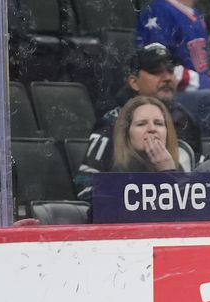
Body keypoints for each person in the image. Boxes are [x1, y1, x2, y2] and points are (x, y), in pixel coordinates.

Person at [75, 44, 201, 200]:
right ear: (134, 82)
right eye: (156, 71)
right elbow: (85, 188)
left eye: (170, 70)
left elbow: (199, 192)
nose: (167, 77)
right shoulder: (111, 124)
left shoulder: (185, 120)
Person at [135, 0, 210, 134]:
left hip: (194, 87)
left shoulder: (196, 14)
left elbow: (201, 64)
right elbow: (158, 68)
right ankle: (199, 150)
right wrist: (209, 83)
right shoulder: (159, 11)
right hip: (168, 93)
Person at [111, 96, 182, 173]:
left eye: (158, 123)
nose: (152, 129)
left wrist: (168, 168)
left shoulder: (175, 166)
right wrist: (168, 172)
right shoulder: (118, 173)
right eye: (141, 124)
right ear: (126, 133)